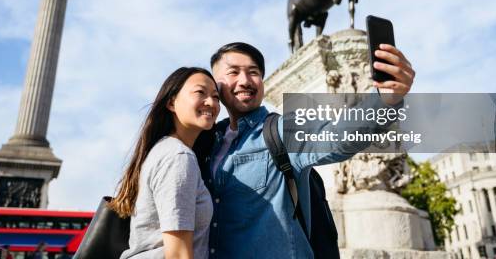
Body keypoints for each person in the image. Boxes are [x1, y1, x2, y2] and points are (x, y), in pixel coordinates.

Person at [196, 42, 415, 258]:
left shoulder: (282, 129)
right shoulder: (207, 143)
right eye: (233, 72)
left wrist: (385, 99)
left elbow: (337, 138)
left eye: (253, 72)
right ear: (216, 86)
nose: (245, 81)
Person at [110, 67, 220, 259]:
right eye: (200, 92)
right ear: (171, 102)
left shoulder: (164, 150)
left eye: (216, 97)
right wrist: (293, 99)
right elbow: (178, 254)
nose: (211, 102)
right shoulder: (178, 156)